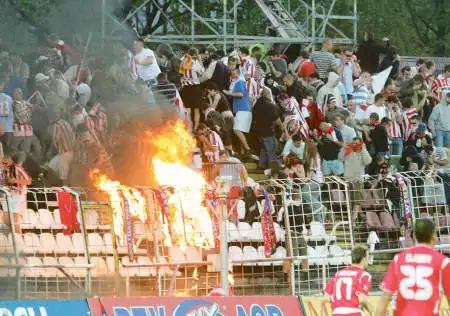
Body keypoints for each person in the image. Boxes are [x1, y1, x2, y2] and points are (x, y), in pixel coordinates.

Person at [376, 218, 450, 316]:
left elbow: (386, 296)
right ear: (433, 237)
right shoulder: (442, 262)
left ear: (414, 236)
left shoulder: (399, 259)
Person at [324, 245, 374, 316]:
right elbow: (362, 299)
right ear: (363, 259)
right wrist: (372, 310)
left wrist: (340, 303)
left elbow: (326, 297)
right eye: (367, 257)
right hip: (354, 312)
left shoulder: (338, 274)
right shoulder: (364, 275)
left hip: (336, 313)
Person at [223, 68, 256, 159]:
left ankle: (247, 149)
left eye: (234, 73)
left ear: (238, 74)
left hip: (243, 109)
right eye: (231, 74)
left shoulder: (239, 81)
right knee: (240, 131)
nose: (232, 75)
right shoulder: (236, 82)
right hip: (242, 110)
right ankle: (243, 151)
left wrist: (228, 93)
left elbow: (240, 94)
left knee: (236, 130)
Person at [253, 87, 279, 169]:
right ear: (268, 94)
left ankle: (261, 164)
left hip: (258, 131)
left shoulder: (258, 103)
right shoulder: (269, 105)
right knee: (271, 149)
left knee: (264, 148)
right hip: (267, 131)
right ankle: (273, 168)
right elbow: (276, 118)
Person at [180, 47, 204, 131]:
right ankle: (196, 127)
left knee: (188, 110)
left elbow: (180, 73)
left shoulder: (182, 61)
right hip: (195, 88)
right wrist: (200, 61)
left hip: (186, 88)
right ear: (195, 55)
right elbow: (202, 72)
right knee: (196, 109)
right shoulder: (195, 63)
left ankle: (189, 128)